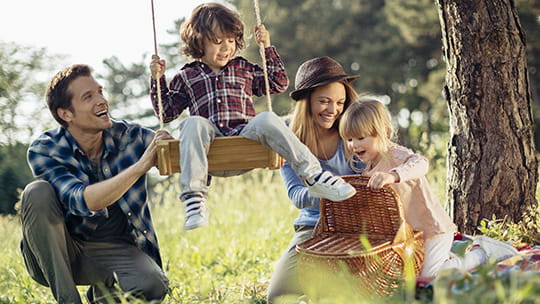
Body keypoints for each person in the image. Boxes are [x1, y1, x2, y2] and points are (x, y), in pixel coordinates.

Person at [149, 3, 355, 231]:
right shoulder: (186, 76)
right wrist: (157, 80)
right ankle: (194, 199)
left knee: (267, 118)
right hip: (210, 149)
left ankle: (315, 176)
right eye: (218, 41)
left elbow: (277, 83)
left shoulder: (243, 67)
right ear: (199, 41)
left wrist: (266, 47)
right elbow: (166, 112)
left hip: (245, 139)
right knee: (193, 122)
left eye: (230, 40)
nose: (226, 47)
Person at [266, 57, 429, 303]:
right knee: (278, 296)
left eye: (340, 102)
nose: (333, 109)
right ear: (306, 100)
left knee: (361, 289)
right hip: (313, 227)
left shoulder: (353, 134)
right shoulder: (289, 141)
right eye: (324, 101)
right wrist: (328, 190)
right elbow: (297, 196)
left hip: (364, 225)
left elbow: (396, 156)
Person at [20, 64, 170, 304]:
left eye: (100, 92)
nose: (102, 100)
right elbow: (83, 200)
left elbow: (178, 155)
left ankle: (104, 295)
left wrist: (179, 143)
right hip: (61, 252)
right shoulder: (45, 148)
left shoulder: (131, 136)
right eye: (88, 97)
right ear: (66, 114)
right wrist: (141, 166)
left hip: (115, 249)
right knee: (36, 192)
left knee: (152, 285)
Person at [339, 98, 519, 278]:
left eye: (361, 138)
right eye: (349, 139)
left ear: (383, 132)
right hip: (412, 237)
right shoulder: (370, 169)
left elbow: (421, 163)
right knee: (409, 274)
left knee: (430, 276)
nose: (353, 145)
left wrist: (393, 175)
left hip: (432, 228)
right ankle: (449, 258)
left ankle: (482, 252)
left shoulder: (394, 155)